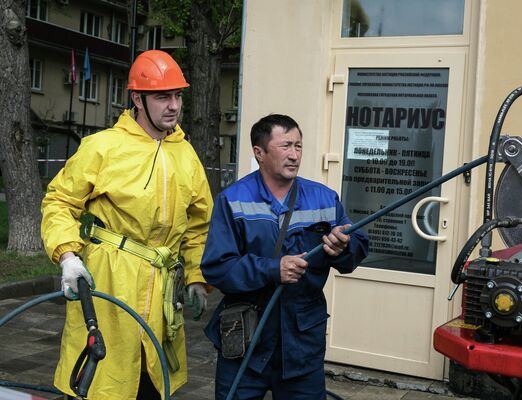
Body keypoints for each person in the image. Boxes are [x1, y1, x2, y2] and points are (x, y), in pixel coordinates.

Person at [40, 50, 213, 400]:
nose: (174, 105)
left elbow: (198, 225)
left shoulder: (186, 155)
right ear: (137, 98)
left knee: (150, 382)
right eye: (163, 96)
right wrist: (68, 256)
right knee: (104, 379)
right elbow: (60, 201)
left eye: (178, 95)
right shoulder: (102, 147)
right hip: (109, 282)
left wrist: (196, 276)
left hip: (161, 288)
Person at [201, 114, 369, 399]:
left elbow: (357, 248)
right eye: (285, 146)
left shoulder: (325, 199)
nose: (294, 155)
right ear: (259, 153)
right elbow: (218, 267)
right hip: (245, 342)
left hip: (301, 344)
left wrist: (345, 248)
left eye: (299, 146)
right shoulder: (233, 200)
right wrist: (271, 269)